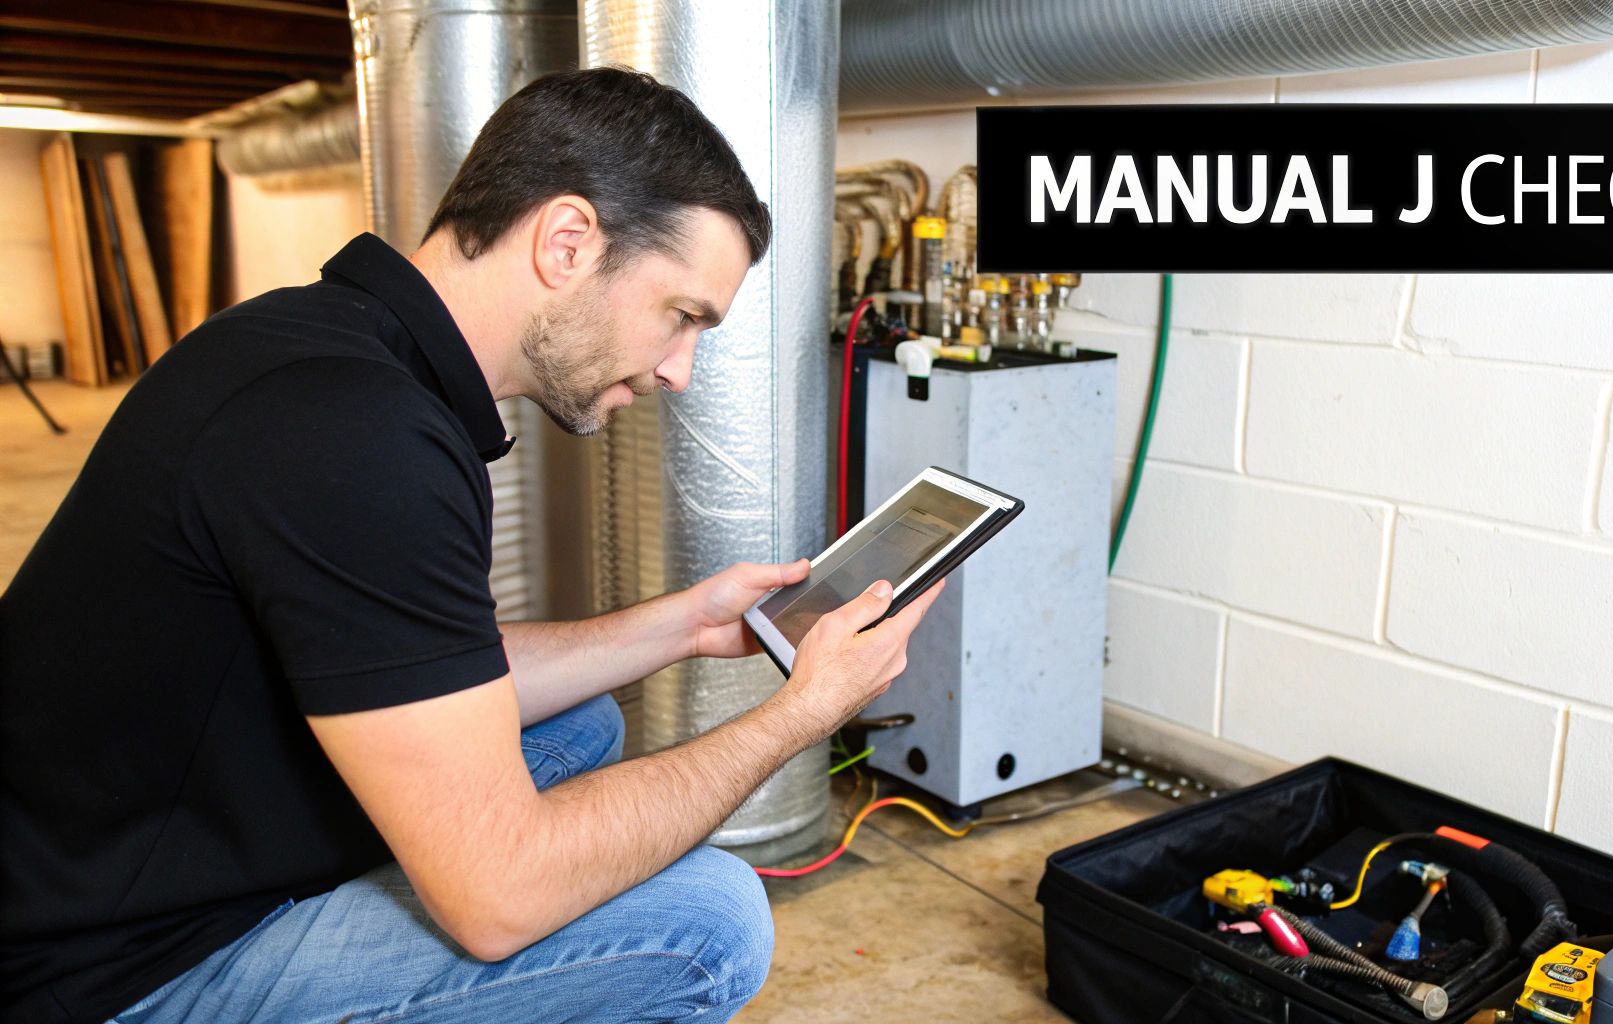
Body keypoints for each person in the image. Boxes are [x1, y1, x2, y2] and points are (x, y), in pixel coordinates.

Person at [0, 67, 940, 1024]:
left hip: (115, 854)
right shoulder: (358, 441)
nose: (678, 370)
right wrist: (801, 713)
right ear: (567, 241)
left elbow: (411, 665)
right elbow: (502, 903)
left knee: (582, 730)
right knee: (709, 920)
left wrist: (684, 625)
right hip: (109, 972)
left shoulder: (319, 351)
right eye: (682, 315)